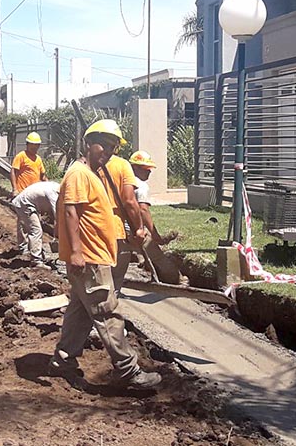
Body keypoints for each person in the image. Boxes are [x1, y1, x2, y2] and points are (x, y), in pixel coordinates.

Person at [49, 121, 161, 390]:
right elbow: (70, 212)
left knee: (80, 311)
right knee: (107, 313)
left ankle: (63, 360)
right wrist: (76, 252)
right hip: (89, 258)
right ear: (88, 143)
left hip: (94, 256)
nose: (108, 152)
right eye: (104, 145)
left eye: (112, 148)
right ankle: (128, 370)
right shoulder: (79, 173)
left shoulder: (92, 173)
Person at [93, 122, 145, 292]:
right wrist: (138, 228)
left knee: (94, 284)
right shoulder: (122, 165)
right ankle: (108, 312)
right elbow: (129, 201)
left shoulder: (84, 165)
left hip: (91, 230)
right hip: (114, 230)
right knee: (113, 284)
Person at [118, 150, 181, 286]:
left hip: (118, 229)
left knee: (117, 260)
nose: (149, 172)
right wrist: (155, 234)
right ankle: (176, 280)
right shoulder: (141, 186)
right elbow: (143, 210)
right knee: (158, 256)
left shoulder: (121, 181)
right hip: (134, 231)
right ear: (134, 168)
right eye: (146, 169)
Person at [11, 132, 47, 253]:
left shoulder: (38, 159)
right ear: (27, 144)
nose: (35, 147)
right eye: (33, 145)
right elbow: (13, 172)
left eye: (37, 145)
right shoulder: (21, 156)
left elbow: (43, 175)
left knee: (34, 221)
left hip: (35, 196)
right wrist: (15, 188)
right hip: (23, 194)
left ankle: (33, 247)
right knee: (22, 222)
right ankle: (23, 247)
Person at [11, 181, 60, 269]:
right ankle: (36, 261)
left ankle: (37, 254)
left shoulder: (56, 187)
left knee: (35, 228)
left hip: (28, 203)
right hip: (25, 204)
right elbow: (58, 219)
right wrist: (56, 237)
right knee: (36, 230)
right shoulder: (54, 195)